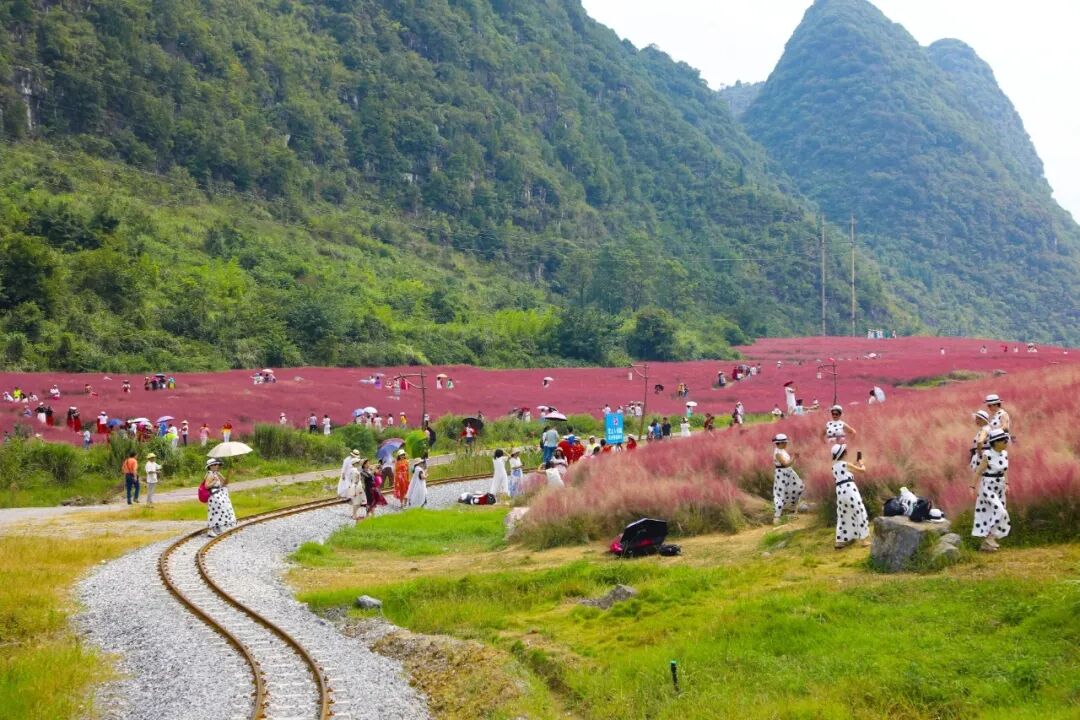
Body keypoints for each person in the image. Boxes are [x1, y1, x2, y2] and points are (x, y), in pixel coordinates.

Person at [972, 429, 1011, 552]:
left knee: (993, 513)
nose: (1006, 442)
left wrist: (1007, 484)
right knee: (1001, 511)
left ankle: (987, 543)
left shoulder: (1004, 454)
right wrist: (972, 487)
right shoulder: (987, 455)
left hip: (1000, 487)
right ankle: (989, 538)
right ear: (996, 442)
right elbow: (978, 471)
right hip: (988, 487)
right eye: (1004, 440)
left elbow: (1005, 470)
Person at [831, 444, 869, 549]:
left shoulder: (834, 466)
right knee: (859, 510)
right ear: (843, 454)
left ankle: (840, 541)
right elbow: (862, 471)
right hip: (850, 489)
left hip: (840, 491)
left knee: (842, 514)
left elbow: (847, 468)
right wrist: (862, 463)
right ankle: (864, 540)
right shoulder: (845, 464)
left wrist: (855, 463)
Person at [771, 434, 804, 525]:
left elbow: (788, 464)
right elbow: (785, 464)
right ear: (780, 443)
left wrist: (794, 458)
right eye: (785, 442)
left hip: (788, 473)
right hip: (781, 475)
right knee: (780, 494)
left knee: (798, 488)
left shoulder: (782, 451)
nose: (786, 444)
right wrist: (794, 457)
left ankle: (791, 509)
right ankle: (777, 517)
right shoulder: (777, 453)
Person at [204, 459, 236, 537]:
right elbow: (206, 486)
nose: (218, 466)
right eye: (216, 464)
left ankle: (218, 528)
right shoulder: (210, 474)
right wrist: (214, 481)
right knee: (214, 513)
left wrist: (229, 474)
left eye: (218, 464)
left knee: (221, 512)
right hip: (214, 496)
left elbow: (225, 483)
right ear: (211, 466)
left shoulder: (217, 473)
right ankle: (210, 530)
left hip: (219, 496)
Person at [345, 457, 366, 521]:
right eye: (358, 462)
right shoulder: (354, 471)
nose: (359, 463)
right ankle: (354, 515)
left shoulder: (353, 470)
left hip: (355, 486)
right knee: (357, 502)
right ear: (355, 464)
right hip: (356, 487)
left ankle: (354, 514)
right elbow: (356, 480)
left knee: (358, 501)